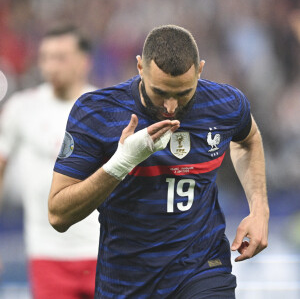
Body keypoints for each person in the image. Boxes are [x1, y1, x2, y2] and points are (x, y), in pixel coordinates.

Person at [48, 24, 269, 298]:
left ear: (200, 70)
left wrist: (259, 209)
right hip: (127, 280)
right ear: (140, 68)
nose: (171, 106)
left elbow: (248, 139)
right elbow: (58, 214)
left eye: (183, 93)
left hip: (202, 267)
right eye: (160, 92)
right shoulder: (97, 112)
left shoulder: (225, 104)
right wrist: (121, 163)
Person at [0, 25, 99, 299]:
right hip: (46, 254)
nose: (51, 65)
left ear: (84, 62)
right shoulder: (21, 108)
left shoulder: (103, 108)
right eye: (45, 57)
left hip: (101, 250)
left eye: (60, 57)